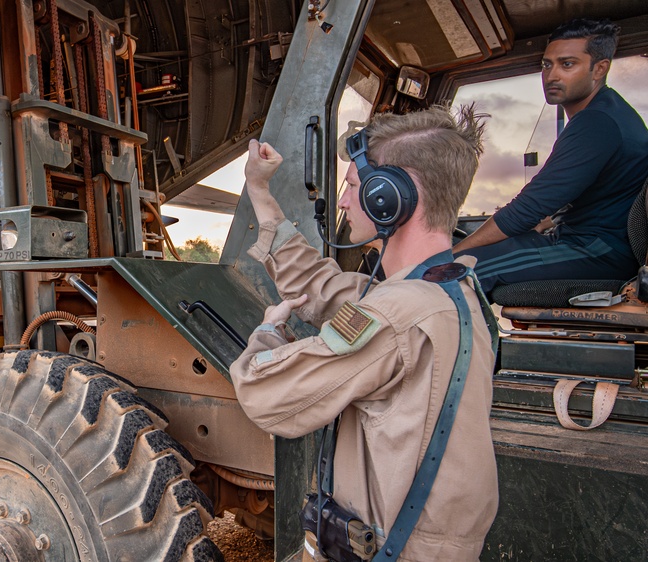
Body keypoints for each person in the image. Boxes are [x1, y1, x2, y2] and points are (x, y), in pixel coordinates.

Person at [230, 106, 498, 561]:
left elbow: (263, 391)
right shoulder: (448, 287)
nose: (343, 201)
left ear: (389, 197)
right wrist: (259, 187)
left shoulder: (398, 315)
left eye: (353, 187)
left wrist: (270, 331)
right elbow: (320, 285)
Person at [454, 18, 648, 292]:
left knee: (457, 269)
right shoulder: (607, 112)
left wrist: (449, 256)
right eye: (547, 64)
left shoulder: (597, 122)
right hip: (589, 242)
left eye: (567, 64)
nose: (551, 75)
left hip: (597, 251)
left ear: (599, 69)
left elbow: (528, 208)